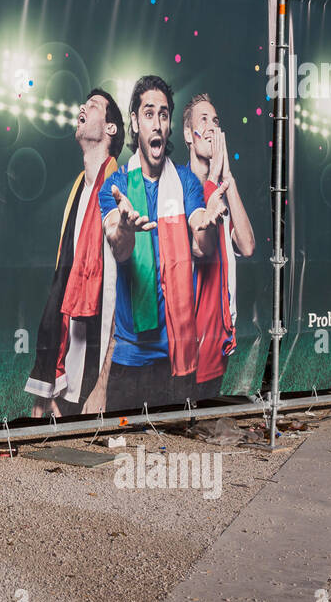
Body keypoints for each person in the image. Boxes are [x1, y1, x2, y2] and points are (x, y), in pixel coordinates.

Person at [99, 75, 229, 411]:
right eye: (148, 114)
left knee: (172, 454)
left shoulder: (185, 179)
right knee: (122, 451)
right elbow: (117, 244)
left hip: (176, 354)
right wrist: (126, 229)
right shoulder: (116, 185)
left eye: (163, 114)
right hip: (129, 355)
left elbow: (202, 243)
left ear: (169, 125)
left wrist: (207, 221)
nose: (156, 123)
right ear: (134, 122)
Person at [25, 90, 124, 417]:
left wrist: (103, 388)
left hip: (97, 373)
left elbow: (126, 294)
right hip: (69, 367)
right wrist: (46, 384)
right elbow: (61, 283)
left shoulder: (121, 186)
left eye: (93, 106)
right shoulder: (78, 190)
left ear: (110, 129)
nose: (82, 106)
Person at [182, 93, 255, 399]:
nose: (211, 128)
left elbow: (247, 245)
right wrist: (213, 177)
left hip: (223, 325)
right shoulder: (182, 183)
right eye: (203, 120)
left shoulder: (218, 188)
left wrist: (228, 177)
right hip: (193, 332)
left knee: (208, 404)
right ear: (188, 134)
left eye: (215, 121)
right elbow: (203, 248)